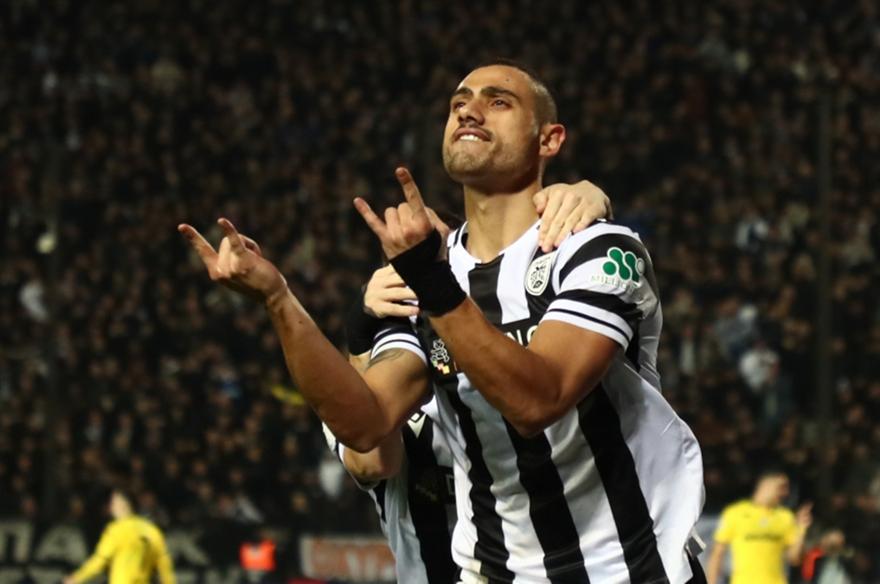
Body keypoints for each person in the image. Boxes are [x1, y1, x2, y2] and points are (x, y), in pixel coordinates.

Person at [180, 60, 705, 583]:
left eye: (498, 101)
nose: (469, 111)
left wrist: (432, 283)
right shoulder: (423, 279)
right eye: (459, 103)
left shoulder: (597, 250)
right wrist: (278, 299)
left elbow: (538, 401)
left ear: (549, 139)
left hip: (634, 570)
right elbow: (365, 426)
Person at [325, 185, 615, 584]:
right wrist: (359, 330)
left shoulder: (515, 374)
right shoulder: (360, 392)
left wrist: (589, 198)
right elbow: (371, 459)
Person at [707, 471, 813, 584]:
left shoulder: (785, 517)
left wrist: (801, 529)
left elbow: (795, 559)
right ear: (765, 485)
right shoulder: (735, 513)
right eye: (782, 487)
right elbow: (717, 554)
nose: (785, 492)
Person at [64, 488, 175, 584]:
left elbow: (99, 561)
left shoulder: (116, 530)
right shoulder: (152, 530)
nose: (111, 507)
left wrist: (76, 578)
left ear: (123, 505)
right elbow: (164, 565)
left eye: (113, 503)